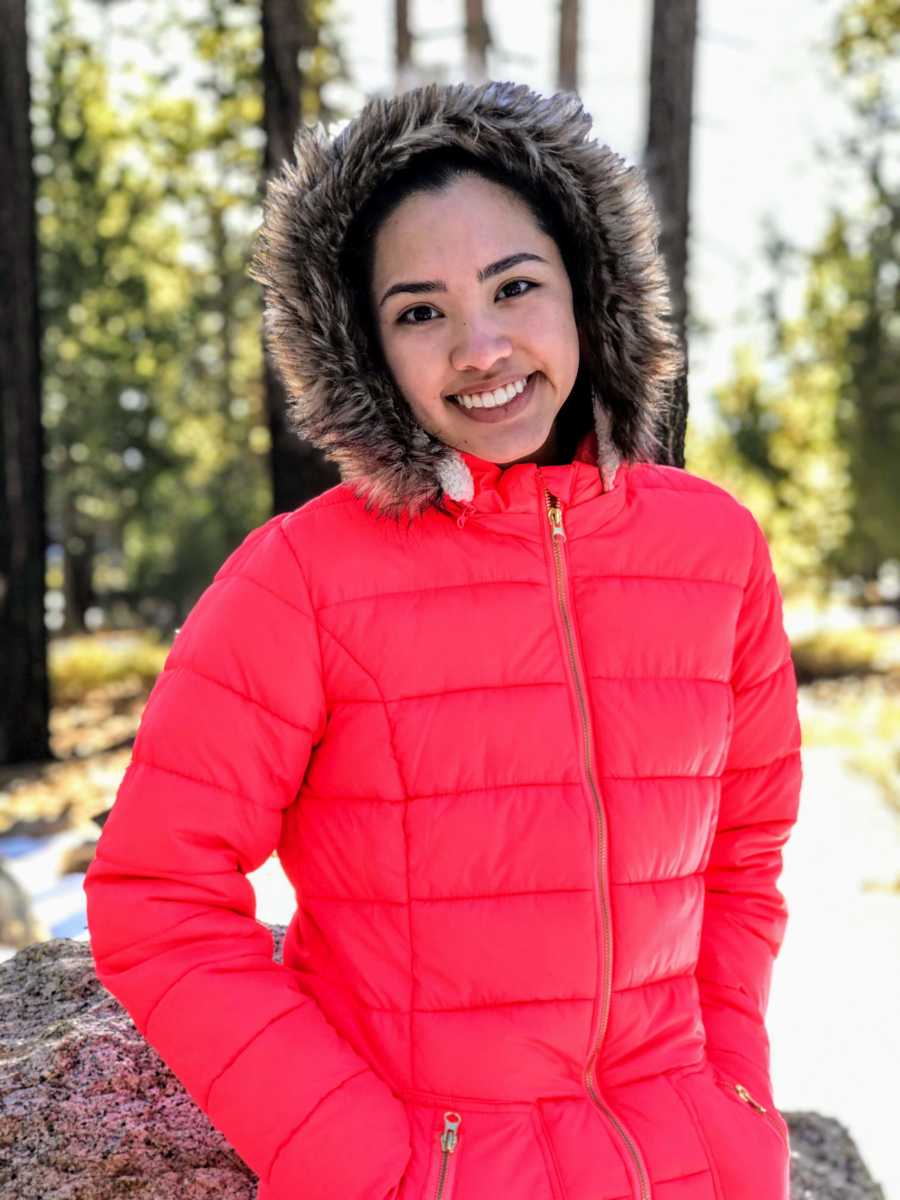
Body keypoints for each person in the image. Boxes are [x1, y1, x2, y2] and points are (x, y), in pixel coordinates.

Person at [83, 79, 803, 1200]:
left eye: (515, 286)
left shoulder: (714, 548)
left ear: (589, 290)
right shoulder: (302, 580)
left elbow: (743, 855)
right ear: (364, 347)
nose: (479, 347)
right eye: (420, 311)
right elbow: (155, 895)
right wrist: (361, 1161)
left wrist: (736, 1100)